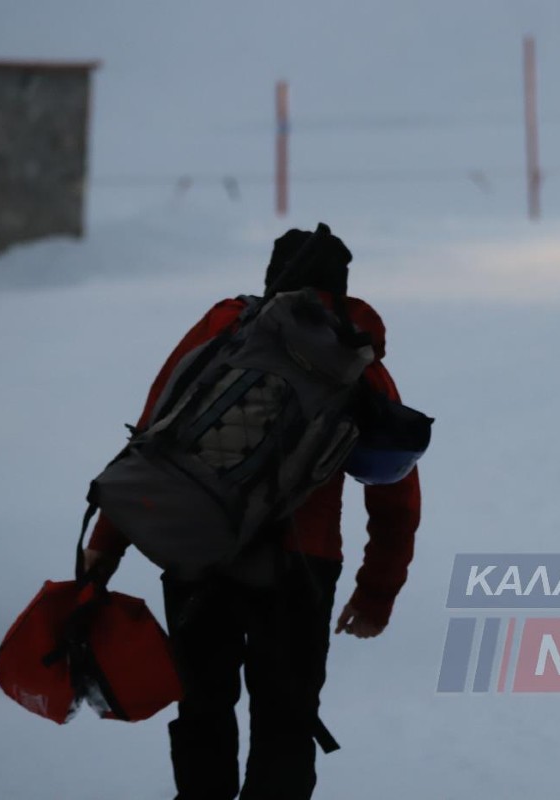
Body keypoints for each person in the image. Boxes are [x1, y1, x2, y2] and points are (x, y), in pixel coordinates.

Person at [83, 228, 422, 800]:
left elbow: (154, 439)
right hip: (301, 569)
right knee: (286, 724)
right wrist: (376, 591)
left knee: (202, 710)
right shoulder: (354, 357)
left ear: (272, 280)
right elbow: (395, 492)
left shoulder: (223, 330)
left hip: (197, 549)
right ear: (339, 289)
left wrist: (104, 547)